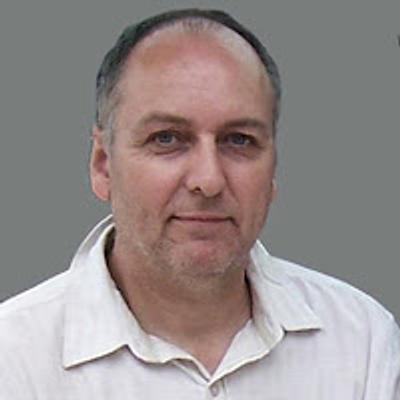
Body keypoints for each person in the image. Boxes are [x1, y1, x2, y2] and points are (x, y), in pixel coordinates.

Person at [0, 8, 399, 399]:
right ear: (103, 165)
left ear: (273, 168)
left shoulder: (360, 342)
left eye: (239, 140)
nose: (208, 181)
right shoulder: (14, 359)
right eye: (167, 139)